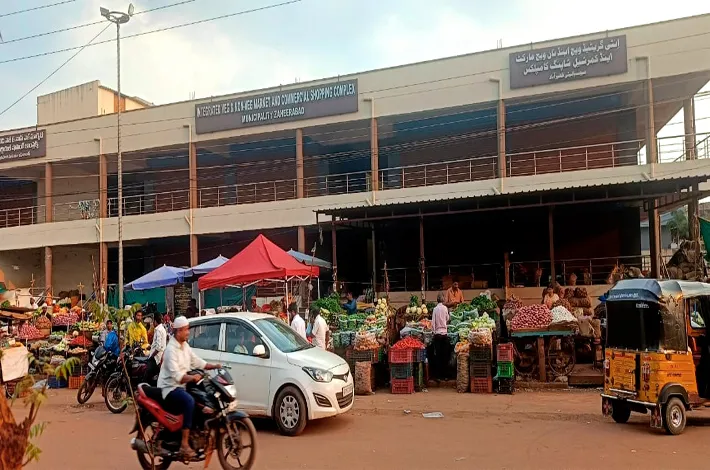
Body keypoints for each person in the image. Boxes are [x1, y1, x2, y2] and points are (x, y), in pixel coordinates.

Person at [158, 316, 221, 458]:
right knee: (189, 401)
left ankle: (196, 432)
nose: (188, 332)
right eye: (186, 330)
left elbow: (196, 361)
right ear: (178, 331)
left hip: (181, 386)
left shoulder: (185, 346)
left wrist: (213, 366)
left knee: (202, 399)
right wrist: (192, 377)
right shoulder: (170, 350)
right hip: (169, 388)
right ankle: (184, 444)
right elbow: (177, 376)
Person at [431, 293, 451, 381]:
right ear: (443, 300)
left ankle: (438, 376)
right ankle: (445, 376)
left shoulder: (435, 309)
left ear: (437, 300)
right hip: (444, 334)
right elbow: (447, 319)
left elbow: (433, 323)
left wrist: (433, 332)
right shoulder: (445, 308)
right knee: (445, 355)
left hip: (437, 335)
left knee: (438, 356)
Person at [146, 314, 169, 383]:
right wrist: (151, 347)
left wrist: (152, 356)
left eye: (153, 321)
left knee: (147, 375)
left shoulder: (158, 330)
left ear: (155, 321)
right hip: (160, 356)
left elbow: (158, 347)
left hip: (156, 357)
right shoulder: (162, 329)